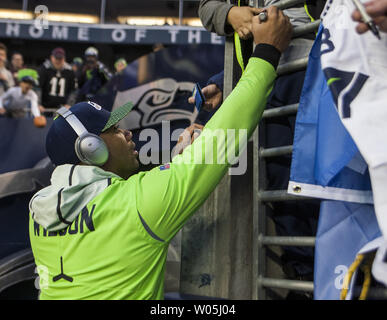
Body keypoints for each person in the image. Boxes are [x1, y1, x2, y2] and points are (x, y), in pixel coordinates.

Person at [29, 7, 292, 300]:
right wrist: (266, 54)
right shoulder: (136, 204)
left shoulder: (38, 211)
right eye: (114, 130)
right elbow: (223, 137)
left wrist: (180, 160)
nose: (127, 133)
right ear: (91, 149)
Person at [196, 0, 326, 296]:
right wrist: (229, 14)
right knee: (284, 188)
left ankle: (342, 274)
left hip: (321, 66)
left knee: (329, 184)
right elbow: (206, 6)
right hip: (269, 74)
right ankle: (307, 282)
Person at [38, 47, 76, 111]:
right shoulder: (44, 69)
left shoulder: (69, 71)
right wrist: (38, 104)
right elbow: (37, 88)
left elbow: (73, 90)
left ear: (64, 59)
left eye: (60, 59)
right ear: (51, 58)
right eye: (56, 58)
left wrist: (69, 104)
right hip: (45, 108)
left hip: (63, 109)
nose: (58, 61)